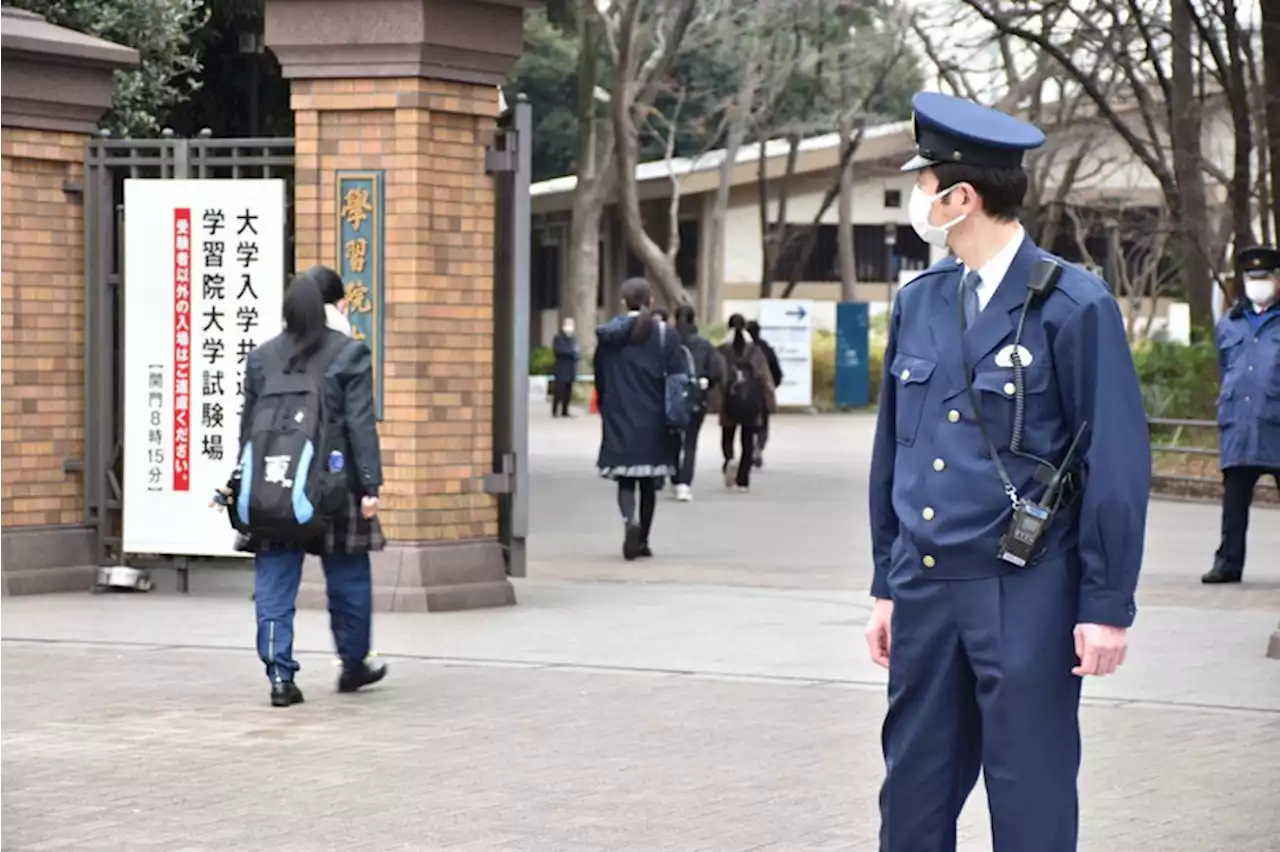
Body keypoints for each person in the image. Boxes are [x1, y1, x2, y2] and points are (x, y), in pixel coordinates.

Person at [865, 92, 1151, 852]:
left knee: (1030, 794)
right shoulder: (920, 303)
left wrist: (1107, 603)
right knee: (913, 797)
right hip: (926, 586)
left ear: (962, 198)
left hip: (1025, 590)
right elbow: (895, 451)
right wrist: (884, 584)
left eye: (925, 185)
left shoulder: (1072, 305)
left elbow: (1115, 462)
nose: (917, 198)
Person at [236, 265, 387, 708]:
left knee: (275, 580)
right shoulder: (349, 354)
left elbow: (249, 431)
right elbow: (361, 425)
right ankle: (353, 664)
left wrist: (247, 483)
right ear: (331, 308)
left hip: (275, 485)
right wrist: (370, 485)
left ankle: (280, 676)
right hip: (333, 488)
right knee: (348, 576)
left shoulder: (261, 357)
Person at [593, 278, 684, 560]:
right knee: (648, 482)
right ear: (650, 301)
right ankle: (643, 539)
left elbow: (600, 376)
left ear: (624, 302)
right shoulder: (664, 335)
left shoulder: (609, 336)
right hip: (654, 416)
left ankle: (628, 521)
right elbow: (678, 376)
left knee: (625, 479)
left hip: (619, 413)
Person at [1205, 245, 1280, 584]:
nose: (1257, 284)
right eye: (1251, 278)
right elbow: (1226, 369)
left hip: (1275, 423)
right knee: (1234, 503)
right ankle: (1228, 563)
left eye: (1263, 277)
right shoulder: (1231, 323)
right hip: (1240, 425)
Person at [715, 314, 776, 492]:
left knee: (728, 435)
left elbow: (717, 377)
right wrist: (770, 402)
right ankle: (743, 479)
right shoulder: (755, 352)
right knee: (747, 441)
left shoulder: (721, 351)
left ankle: (729, 460)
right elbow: (766, 379)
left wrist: (716, 402)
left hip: (729, 401)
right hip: (751, 402)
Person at [672, 304, 721, 502]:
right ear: (694, 320)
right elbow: (716, 371)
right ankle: (684, 483)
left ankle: (674, 476)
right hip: (695, 399)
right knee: (691, 443)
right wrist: (706, 384)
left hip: (670, 400)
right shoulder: (704, 345)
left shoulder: (667, 342)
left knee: (671, 440)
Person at [746, 319, 783, 468]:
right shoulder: (766, 348)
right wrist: (772, 386)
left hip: (745, 393)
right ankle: (758, 448)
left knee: (747, 426)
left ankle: (749, 451)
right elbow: (777, 372)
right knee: (763, 425)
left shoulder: (742, 348)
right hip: (762, 393)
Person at [551, 316, 580, 418]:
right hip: (561, 367)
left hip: (571, 367)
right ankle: (555, 411)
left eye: (571, 324)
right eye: (568, 324)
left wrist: (574, 353)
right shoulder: (558, 337)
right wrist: (571, 352)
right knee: (559, 390)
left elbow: (576, 351)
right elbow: (558, 351)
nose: (570, 327)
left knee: (568, 390)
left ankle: (565, 410)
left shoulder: (573, 337)